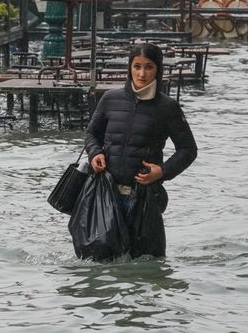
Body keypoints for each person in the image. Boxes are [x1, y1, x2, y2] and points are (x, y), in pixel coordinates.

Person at [84, 43, 197, 253]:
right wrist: (95, 153)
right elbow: (91, 134)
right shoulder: (110, 99)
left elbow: (188, 149)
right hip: (105, 193)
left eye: (148, 67)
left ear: (158, 69)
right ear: (129, 68)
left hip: (144, 199)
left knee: (148, 264)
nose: (142, 73)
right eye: (136, 66)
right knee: (97, 259)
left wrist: (162, 172)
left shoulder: (168, 108)